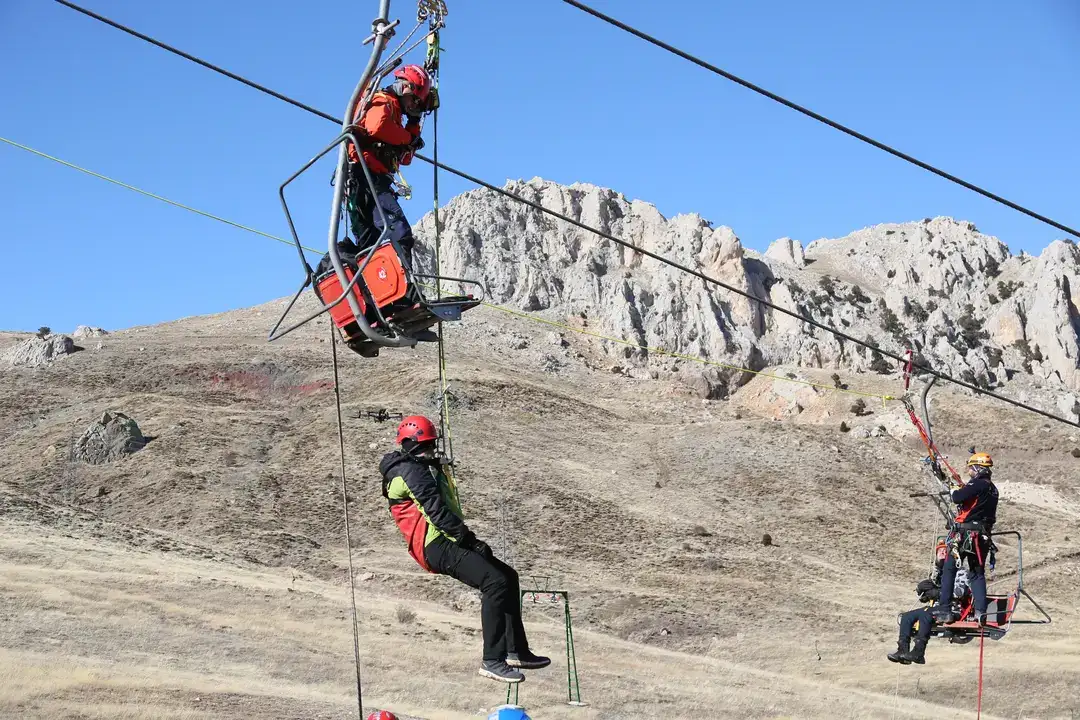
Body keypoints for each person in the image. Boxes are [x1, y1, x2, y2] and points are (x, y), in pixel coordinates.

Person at [379, 415, 550, 683]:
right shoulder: (411, 472)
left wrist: (438, 465)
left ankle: (516, 649)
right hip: (433, 544)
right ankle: (492, 660)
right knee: (493, 582)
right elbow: (437, 514)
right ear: (409, 445)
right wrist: (471, 542)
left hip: (442, 539)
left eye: (431, 445)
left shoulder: (415, 466)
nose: (429, 450)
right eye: (424, 446)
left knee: (508, 577)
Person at [345, 64, 436, 269]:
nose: (414, 105)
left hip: (372, 182)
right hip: (366, 179)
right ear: (406, 89)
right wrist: (406, 138)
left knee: (373, 243)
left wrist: (414, 123)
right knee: (398, 231)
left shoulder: (397, 115)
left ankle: (385, 295)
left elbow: (404, 159)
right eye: (414, 100)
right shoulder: (383, 101)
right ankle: (404, 290)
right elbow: (378, 126)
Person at [932, 452, 999, 625]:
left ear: (977, 467)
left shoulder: (977, 483)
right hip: (982, 536)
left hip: (965, 535)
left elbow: (957, 498)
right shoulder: (993, 489)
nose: (969, 470)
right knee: (977, 573)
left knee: (949, 569)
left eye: (971, 467)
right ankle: (981, 612)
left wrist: (955, 490)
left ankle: (945, 609)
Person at [888, 554, 971, 664]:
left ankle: (919, 652)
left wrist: (937, 593)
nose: (942, 554)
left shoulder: (961, 572)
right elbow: (931, 588)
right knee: (906, 617)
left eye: (944, 552)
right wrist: (925, 589)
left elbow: (959, 593)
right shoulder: (940, 572)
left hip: (952, 610)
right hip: (935, 608)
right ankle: (902, 650)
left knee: (926, 615)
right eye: (939, 552)